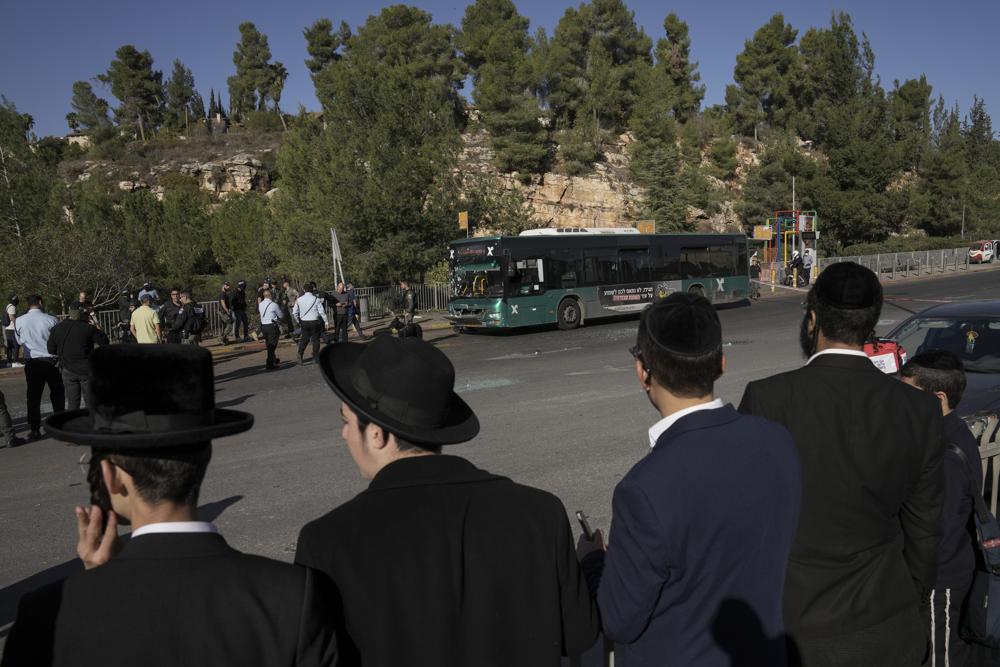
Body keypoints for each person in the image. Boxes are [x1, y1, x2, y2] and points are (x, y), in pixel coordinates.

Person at [2, 345, 339, 667]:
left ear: (112, 477)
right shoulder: (291, 594)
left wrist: (94, 587)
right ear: (205, 455)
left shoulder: (48, 613)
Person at [295, 335, 598, 666]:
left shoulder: (327, 542)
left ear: (378, 434)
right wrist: (592, 563)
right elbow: (580, 634)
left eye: (346, 422)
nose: (343, 434)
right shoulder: (540, 513)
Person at [577, 293, 801, 665]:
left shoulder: (643, 490)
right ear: (721, 364)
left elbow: (619, 621)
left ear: (642, 371)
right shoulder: (778, 441)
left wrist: (593, 563)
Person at [739, 262, 944, 666]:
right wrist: (909, 601)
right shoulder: (919, 409)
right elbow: (925, 529)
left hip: (796, 631)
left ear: (812, 319)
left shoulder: (767, 399)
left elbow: (746, 523)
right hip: (888, 624)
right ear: (872, 324)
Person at [900, 350, 982, 667]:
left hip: (940, 580)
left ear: (938, 398)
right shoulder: (945, 433)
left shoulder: (945, 452)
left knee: (940, 657)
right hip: (936, 576)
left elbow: (941, 529)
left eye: (907, 393)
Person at [14, 295, 64, 441]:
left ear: (28, 304)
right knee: (57, 393)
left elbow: (19, 340)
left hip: (32, 362)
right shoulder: (52, 319)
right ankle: (59, 425)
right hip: (51, 361)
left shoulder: (19, 321)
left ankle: (35, 429)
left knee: (33, 397)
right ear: (41, 303)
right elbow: (57, 340)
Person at [47, 306, 108, 410]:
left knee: (72, 402)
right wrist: (97, 326)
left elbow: (51, 350)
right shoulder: (88, 328)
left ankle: (74, 424)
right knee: (90, 401)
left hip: (67, 368)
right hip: (86, 369)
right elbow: (104, 342)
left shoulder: (57, 328)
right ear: (81, 314)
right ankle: (92, 423)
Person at [292, 282, 328, 365]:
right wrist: (326, 321)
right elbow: (321, 312)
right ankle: (315, 357)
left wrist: (298, 320)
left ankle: (300, 354)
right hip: (315, 321)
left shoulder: (299, 299)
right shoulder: (316, 299)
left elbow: (294, 312)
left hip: (304, 322)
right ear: (312, 290)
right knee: (316, 340)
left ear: (304, 290)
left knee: (304, 339)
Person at [258, 288, 282, 370]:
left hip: (263, 326)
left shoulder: (260, 304)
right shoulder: (273, 304)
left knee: (269, 344)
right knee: (272, 345)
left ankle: (273, 359)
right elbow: (281, 315)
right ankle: (269, 363)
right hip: (272, 326)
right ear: (271, 295)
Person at [5, 294, 21, 367]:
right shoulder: (12, 307)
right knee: (15, 345)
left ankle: (9, 362)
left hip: (8, 329)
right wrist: (18, 324)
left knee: (10, 346)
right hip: (12, 328)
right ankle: (15, 362)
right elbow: (12, 317)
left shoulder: (8, 306)